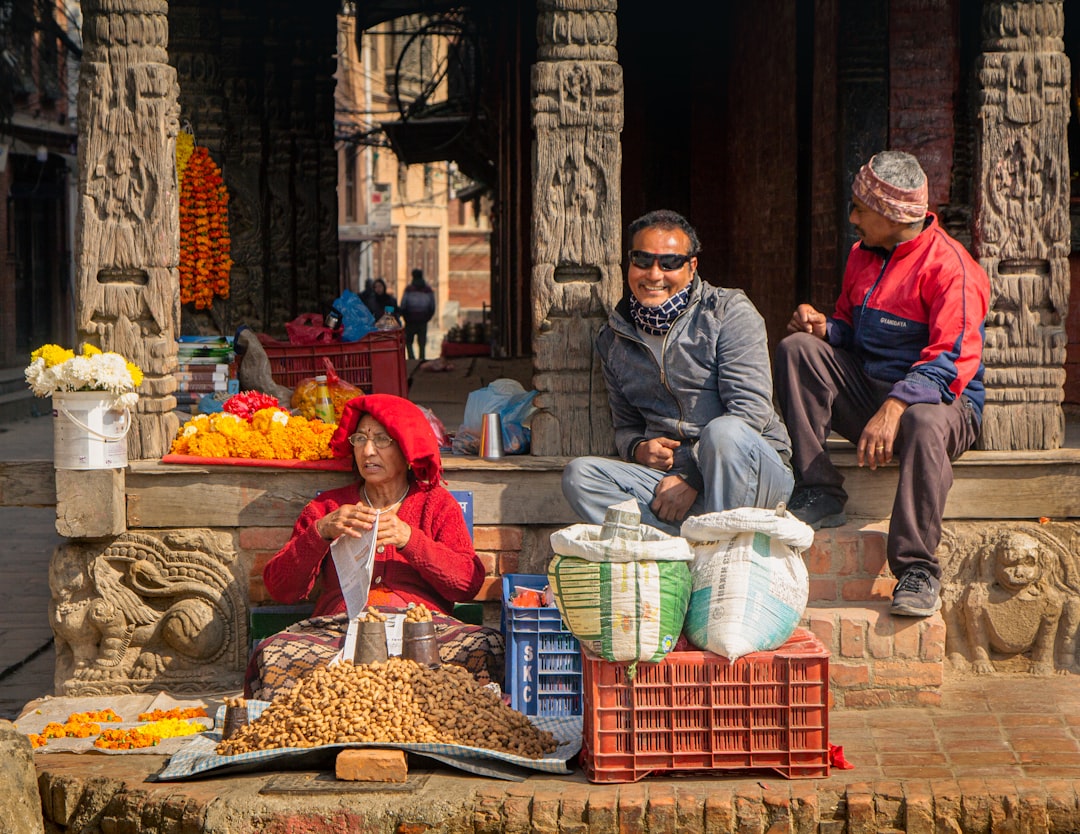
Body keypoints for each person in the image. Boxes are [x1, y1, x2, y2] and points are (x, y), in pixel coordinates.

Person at [774, 150, 989, 618]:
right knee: (797, 350)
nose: (852, 218)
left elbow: (951, 363)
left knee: (927, 422)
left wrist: (894, 409)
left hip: (945, 406)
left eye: (860, 210)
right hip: (872, 392)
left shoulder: (953, 269)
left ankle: (916, 568)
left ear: (893, 216)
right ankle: (820, 488)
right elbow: (852, 333)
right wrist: (825, 330)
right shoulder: (862, 256)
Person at [245, 394, 503, 700]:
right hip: (341, 632)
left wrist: (410, 539)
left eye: (382, 440)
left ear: (407, 449)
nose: (368, 451)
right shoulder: (327, 506)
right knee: (273, 655)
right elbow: (281, 589)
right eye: (360, 439)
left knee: (487, 646)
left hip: (423, 634)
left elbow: (467, 583)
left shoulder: (435, 504)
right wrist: (320, 532)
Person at [561, 209, 794, 536]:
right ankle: (680, 548)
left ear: (691, 267)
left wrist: (693, 479)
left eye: (669, 263)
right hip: (669, 483)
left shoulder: (728, 312)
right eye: (642, 260)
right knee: (580, 476)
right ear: (629, 263)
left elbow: (750, 412)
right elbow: (626, 425)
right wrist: (639, 449)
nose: (654, 274)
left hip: (750, 473)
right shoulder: (614, 338)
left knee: (723, 432)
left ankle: (717, 551)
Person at [401, 268, 437, 361]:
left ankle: (411, 359)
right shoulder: (428, 290)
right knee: (422, 343)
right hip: (423, 320)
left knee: (408, 342)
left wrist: (405, 317)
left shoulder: (409, 289)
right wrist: (427, 317)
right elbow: (432, 306)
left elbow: (403, 305)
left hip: (410, 320)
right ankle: (421, 360)